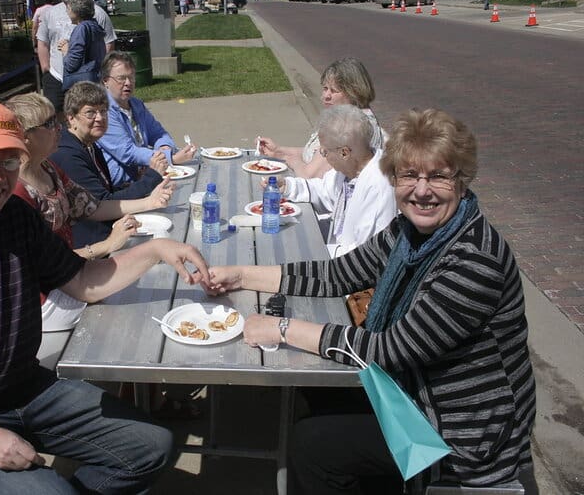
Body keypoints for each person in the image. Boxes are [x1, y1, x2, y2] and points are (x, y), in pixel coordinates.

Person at [0, 99, 210, 494]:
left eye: (10, 162)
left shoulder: (14, 215)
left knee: (152, 447)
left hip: (23, 386)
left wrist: (157, 250)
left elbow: (83, 281)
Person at [205, 108, 537, 494]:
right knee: (316, 391)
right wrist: (242, 275)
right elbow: (338, 274)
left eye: (439, 176)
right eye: (409, 175)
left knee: (313, 445)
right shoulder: (409, 231)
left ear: (461, 181)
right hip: (414, 393)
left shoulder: (473, 259)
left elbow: (390, 350)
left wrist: (281, 327)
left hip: (461, 432)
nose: (422, 190)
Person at [6, 92, 173, 260]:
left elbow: (94, 207)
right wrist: (107, 245)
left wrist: (149, 202)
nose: (59, 128)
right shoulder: (16, 193)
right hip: (59, 278)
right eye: (49, 123)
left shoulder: (49, 168)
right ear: (25, 136)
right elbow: (43, 263)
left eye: (57, 120)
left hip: (71, 271)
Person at [51, 81, 171, 248]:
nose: (99, 118)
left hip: (105, 229)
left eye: (103, 111)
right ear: (71, 118)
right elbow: (101, 204)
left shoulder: (90, 144)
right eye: (90, 112)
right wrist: (150, 182)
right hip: (91, 244)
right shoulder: (68, 156)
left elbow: (106, 192)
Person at [267, 105, 396, 257]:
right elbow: (324, 190)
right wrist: (288, 186)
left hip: (350, 269)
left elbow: (366, 253)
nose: (323, 155)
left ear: (344, 153)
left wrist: (313, 252)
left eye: (324, 152)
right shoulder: (350, 169)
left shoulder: (378, 187)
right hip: (335, 254)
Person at [258, 57, 386, 180]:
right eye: (325, 88)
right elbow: (313, 155)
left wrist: (291, 160)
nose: (325, 96)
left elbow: (309, 176)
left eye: (333, 91)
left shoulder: (349, 127)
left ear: (354, 92)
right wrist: (278, 151)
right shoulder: (352, 117)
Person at [99, 51, 197, 188]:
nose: (128, 83)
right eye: (121, 78)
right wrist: (171, 159)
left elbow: (159, 133)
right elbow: (127, 152)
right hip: (121, 185)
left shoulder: (136, 104)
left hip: (144, 176)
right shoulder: (103, 112)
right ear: (105, 81)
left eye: (131, 77)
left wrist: (165, 148)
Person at [36, 0, 116, 121]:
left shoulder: (95, 15)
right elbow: (42, 41)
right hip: (56, 76)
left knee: (85, 117)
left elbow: (108, 44)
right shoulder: (50, 13)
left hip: (84, 79)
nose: (66, 0)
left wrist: (100, 69)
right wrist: (46, 69)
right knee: (54, 119)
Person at [59, 0, 105, 92]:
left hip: (82, 87)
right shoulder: (95, 26)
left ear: (71, 8)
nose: (66, 11)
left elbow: (72, 64)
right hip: (96, 80)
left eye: (67, 8)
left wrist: (65, 50)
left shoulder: (81, 29)